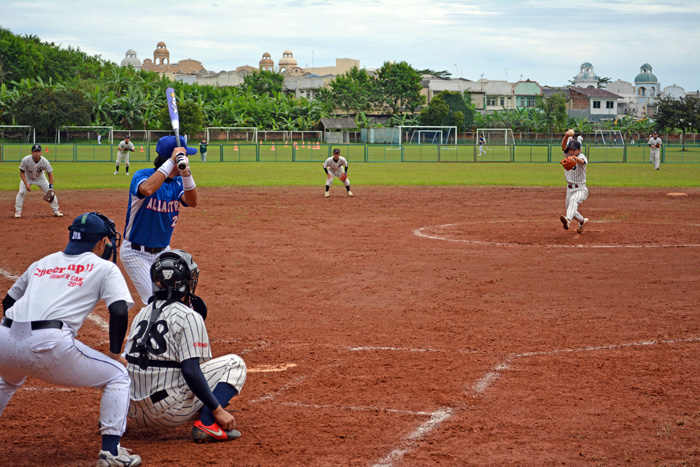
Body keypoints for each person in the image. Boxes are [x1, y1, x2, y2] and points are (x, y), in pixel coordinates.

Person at [0, 212, 141, 466]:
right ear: (100, 243)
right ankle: (111, 453)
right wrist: (115, 353)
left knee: (6, 381)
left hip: (4, 336)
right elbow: (119, 311)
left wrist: (16, 341)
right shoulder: (105, 267)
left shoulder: (43, 262)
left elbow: (8, 300)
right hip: (48, 343)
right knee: (118, 375)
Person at [124, 249, 246, 442]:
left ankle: (115, 418)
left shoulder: (142, 313)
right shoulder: (189, 316)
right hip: (167, 413)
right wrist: (217, 409)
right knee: (235, 364)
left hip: (130, 411)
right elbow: (191, 371)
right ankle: (207, 424)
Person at [120, 135, 198, 305]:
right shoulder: (142, 175)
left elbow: (192, 202)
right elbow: (147, 189)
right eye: (183, 156)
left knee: (179, 297)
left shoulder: (177, 182)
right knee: (158, 302)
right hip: (135, 253)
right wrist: (171, 162)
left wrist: (186, 173)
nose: (187, 159)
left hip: (163, 252)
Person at [15, 144, 63, 218]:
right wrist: (26, 184)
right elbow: (22, 172)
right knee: (21, 192)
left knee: (50, 193)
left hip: (40, 178)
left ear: (41, 152)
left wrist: (51, 187)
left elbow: (50, 174)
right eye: (35, 151)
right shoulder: (26, 160)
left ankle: (56, 211)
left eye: (38, 151)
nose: (37, 153)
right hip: (28, 177)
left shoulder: (45, 161)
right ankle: (18, 211)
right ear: (32, 152)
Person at [559, 133, 589, 234]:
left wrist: (575, 159)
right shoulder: (568, 155)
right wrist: (566, 136)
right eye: (570, 149)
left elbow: (582, 162)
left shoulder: (582, 156)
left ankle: (567, 221)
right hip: (569, 189)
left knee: (573, 201)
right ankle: (582, 221)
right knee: (571, 209)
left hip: (580, 189)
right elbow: (563, 146)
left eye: (574, 150)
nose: (571, 151)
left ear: (579, 150)